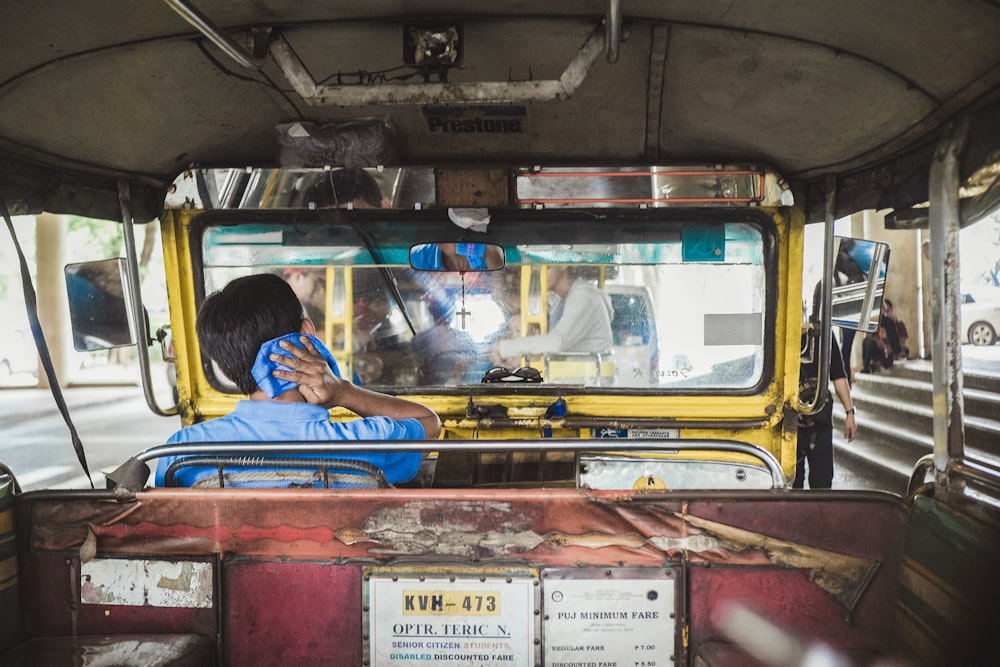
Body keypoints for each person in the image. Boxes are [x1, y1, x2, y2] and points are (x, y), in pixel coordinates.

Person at [154, 273, 440, 487]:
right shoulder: (371, 440)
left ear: (226, 368)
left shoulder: (183, 452)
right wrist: (344, 393)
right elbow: (430, 423)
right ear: (306, 332)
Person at [490, 265, 614, 366]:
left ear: (562, 265)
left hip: (588, 386)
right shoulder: (561, 302)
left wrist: (505, 348)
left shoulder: (584, 296)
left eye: (546, 268)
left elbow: (556, 342)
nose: (538, 275)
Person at [796, 314, 858, 489]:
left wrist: (850, 412)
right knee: (791, 486)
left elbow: (838, 374)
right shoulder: (778, 332)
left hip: (819, 424)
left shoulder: (823, 335)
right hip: (788, 425)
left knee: (822, 485)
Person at [861, 299, 902, 373]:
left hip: (887, 351)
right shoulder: (873, 320)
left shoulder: (890, 322)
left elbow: (896, 344)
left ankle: (877, 363)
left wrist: (888, 346)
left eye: (885, 309)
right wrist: (877, 340)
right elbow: (867, 336)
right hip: (877, 349)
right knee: (867, 341)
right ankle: (867, 367)